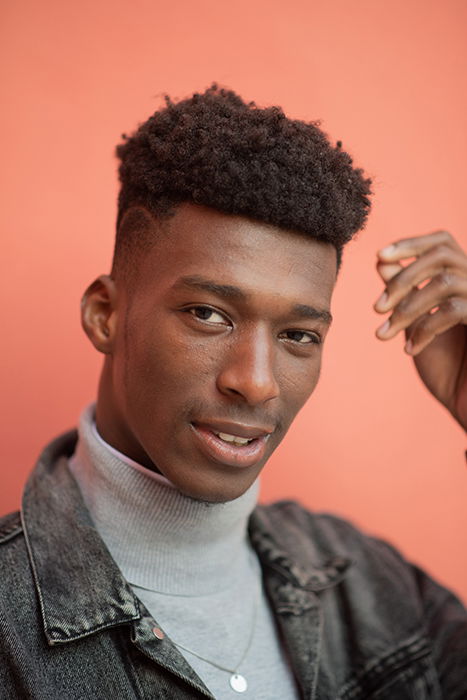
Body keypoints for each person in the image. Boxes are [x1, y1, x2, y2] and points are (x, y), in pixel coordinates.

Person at [0, 84, 466, 699]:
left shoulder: (375, 587)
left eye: (299, 334)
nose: (256, 381)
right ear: (104, 314)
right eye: (207, 314)